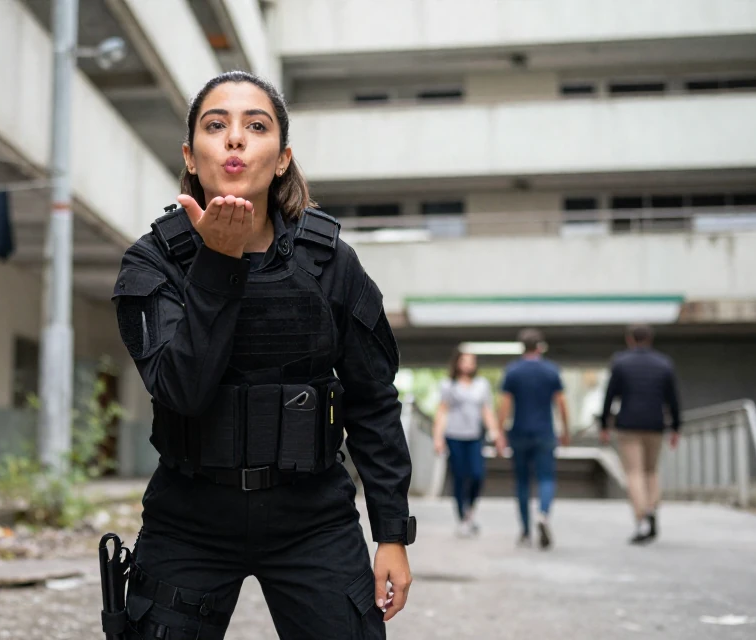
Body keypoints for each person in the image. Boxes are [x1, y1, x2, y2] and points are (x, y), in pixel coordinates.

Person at [109, 71, 415, 639]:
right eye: (215, 125)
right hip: (190, 518)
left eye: (256, 125)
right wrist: (218, 263)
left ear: (281, 160)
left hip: (313, 518)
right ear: (190, 156)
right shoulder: (153, 263)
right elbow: (182, 389)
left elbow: (373, 400)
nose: (234, 139)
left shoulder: (330, 262)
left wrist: (391, 532)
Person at [600, 323, 682, 545]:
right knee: (651, 471)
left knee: (634, 473)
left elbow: (610, 396)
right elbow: (673, 400)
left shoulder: (620, 364)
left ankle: (642, 518)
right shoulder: (664, 364)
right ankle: (653, 509)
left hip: (628, 425)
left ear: (629, 339)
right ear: (650, 339)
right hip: (656, 424)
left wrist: (604, 424)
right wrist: (676, 427)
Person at [497, 328, 569, 550]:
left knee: (522, 482)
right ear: (540, 347)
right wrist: (566, 430)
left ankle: (526, 531)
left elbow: (505, 405)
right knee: (546, 477)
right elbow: (561, 403)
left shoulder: (513, 371)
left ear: (522, 347)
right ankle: (543, 514)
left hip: (519, 432)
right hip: (545, 432)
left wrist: (499, 433)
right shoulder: (551, 370)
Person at [433, 349, 505, 537]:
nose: (468, 364)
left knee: (476, 474)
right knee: (458, 476)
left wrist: (495, 433)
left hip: (474, 436)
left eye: (472, 361)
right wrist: (438, 438)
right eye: (465, 361)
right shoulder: (448, 385)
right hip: (454, 436)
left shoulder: (481, 385)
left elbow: (486, 411)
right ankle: (462, 517)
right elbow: (442, 411)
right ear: (457, 363)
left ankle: (470, 509)